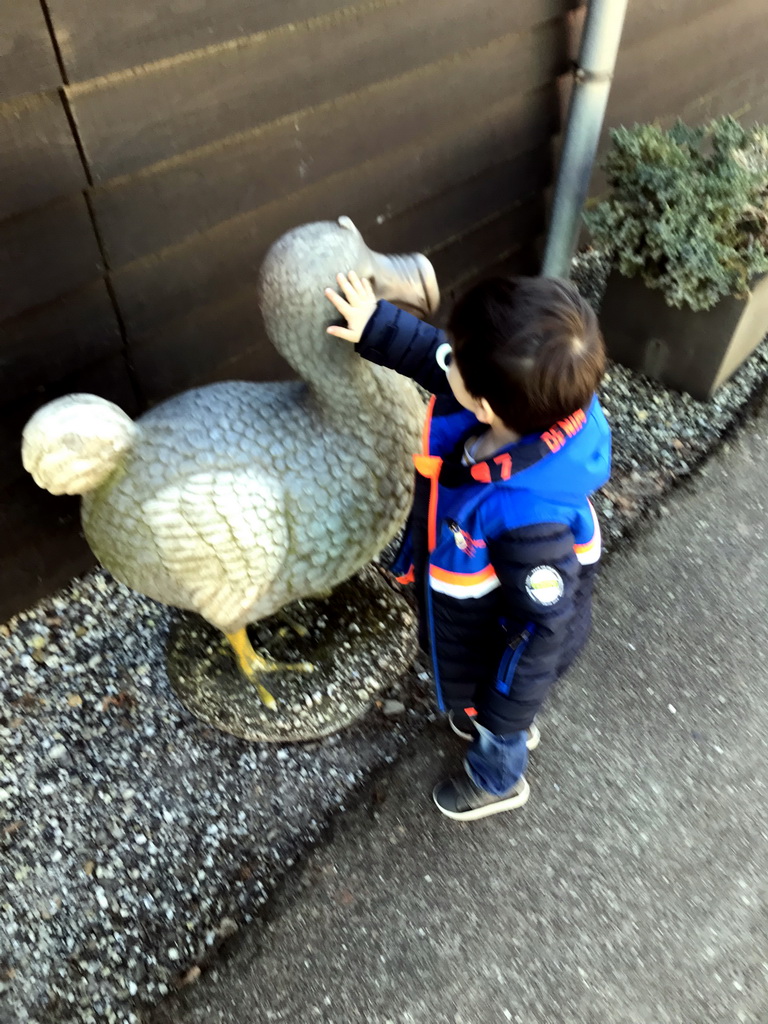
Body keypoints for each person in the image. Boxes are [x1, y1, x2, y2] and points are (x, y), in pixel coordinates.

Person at [324, 271, 611, 822]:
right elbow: (449, 361)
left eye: (455, 358)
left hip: (508, 650)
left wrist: (504, 705)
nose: (445, 358)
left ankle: (497, 776)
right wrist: (377, 326)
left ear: (485, 407)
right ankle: (487, 711)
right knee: (485, 701)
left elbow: (539, 628)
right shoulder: (538, 399)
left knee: (500, 722)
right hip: (485, 619)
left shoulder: (530, 522)